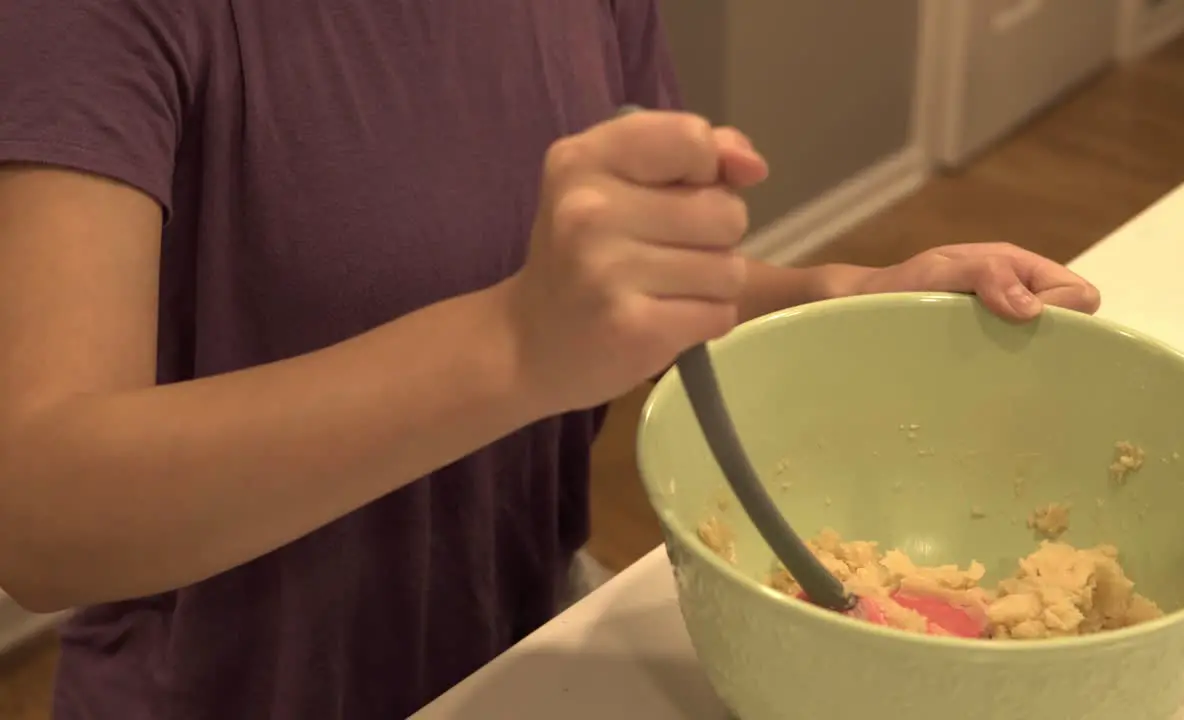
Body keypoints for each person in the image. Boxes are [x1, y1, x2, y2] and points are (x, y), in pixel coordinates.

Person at [0, 1, 1101, 718]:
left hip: (522, 654)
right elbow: (42, 514)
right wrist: (515, 345)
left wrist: (836, 297)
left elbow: (613, 294)